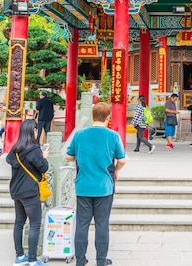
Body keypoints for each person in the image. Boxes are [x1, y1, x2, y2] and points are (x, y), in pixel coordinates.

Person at [66, 102, 126, 266]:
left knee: (82, 224)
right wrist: (115, 172)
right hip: (104, 187)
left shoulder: (79, 135)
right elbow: (122, 160)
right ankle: (101, 260)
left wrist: (81, 159)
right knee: (102, 224)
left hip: (83, 185)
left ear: (92, 116)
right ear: (108, 118)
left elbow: (68, 156)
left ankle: (80, 259)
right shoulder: (112, 136)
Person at [5, 119, 49, 266]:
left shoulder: (15, 149)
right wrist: (44, 157)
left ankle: (19, 256)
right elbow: (43, 167)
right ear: (33, 131)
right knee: (35, 224)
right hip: (30, 191)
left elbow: (9, 160)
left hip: (16, 190)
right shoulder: (34, 149)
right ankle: (32, 260)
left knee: (19, 222)